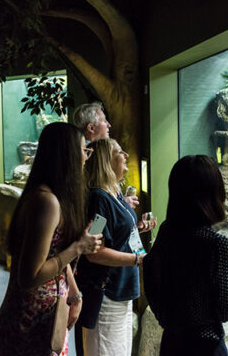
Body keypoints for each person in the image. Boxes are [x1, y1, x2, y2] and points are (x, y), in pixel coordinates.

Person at [0, 122, 103, 356]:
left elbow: (55, 257)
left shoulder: (53, 198)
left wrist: (74, 294)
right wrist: (78, 247)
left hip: (48, 319)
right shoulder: (46, 202)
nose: (86, 158)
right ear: (68, 155)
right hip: (28, 324)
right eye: (84, 151)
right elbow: (30, 276)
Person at [143, 155, 228, 356]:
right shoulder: (217, 244)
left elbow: (151, 278)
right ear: (213, 193)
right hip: (206, 346)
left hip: (172, 343)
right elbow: (225, 310)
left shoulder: (166, 232)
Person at [76, 138, 156, 356]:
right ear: (106, 160)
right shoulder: (100, 198)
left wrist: (138, 228)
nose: (126, 156)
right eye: (120, 152)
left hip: (123, 290)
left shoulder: (116, 194)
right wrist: (139, 259)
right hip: (108, 293)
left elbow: (113, 236)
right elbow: (94, 250)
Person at [72, 102, 138, 210]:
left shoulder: (99, 152)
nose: (109, 125)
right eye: (104, 121)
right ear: (91, 128)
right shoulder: (88, 157)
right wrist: (119, 204)